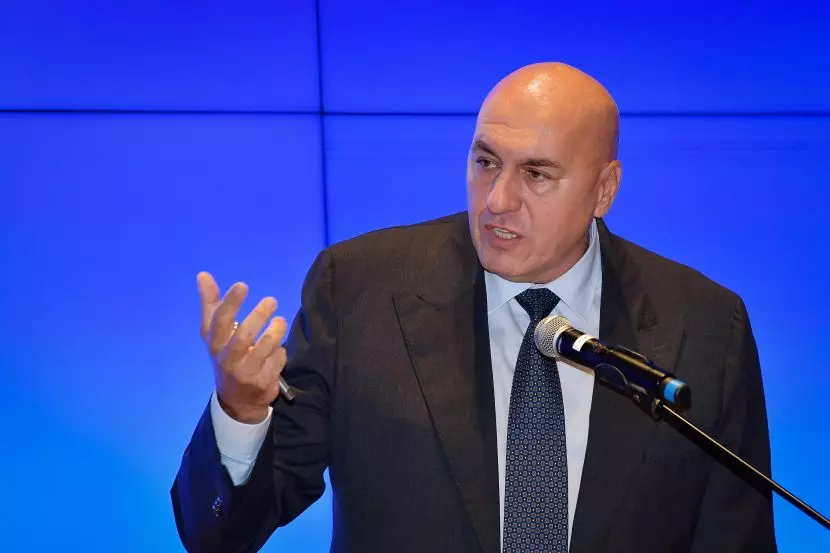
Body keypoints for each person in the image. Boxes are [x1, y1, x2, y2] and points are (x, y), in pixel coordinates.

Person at [171, 62, 777, 552]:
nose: (497, 200)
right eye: (485, 162)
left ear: (604, 189)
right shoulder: (358, 291)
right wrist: (241, 410)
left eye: (537, 174)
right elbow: (221, 535)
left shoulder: (703, 326)